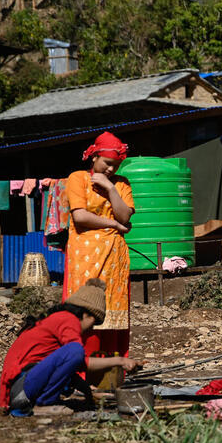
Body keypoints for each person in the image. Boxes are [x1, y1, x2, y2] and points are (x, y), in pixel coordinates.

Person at [0, 278, 143, 415]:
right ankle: (45, 404)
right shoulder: (69, 320)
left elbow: (69, 367)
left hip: (20, 390)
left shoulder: (59, 318)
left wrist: (87, 392)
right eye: (93, 324)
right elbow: (81, 361)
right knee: (75, 350)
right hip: (22, 390)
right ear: (87, 315)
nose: (90, 329)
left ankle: (44, 400)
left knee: (74, 354)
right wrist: (121, 361)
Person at [62, 131, 135, 358]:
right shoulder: (78, 179)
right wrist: (112, 223)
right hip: (84, 258)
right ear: (94, 157)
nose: (111, 169)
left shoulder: (121, 185)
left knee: (112, 312)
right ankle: (81, 371)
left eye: (116, 165)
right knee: (86, 310)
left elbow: (125, 217)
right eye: (107, 163)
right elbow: (80, 217)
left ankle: (110, 373)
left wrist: (110, 187)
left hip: (114, 259)